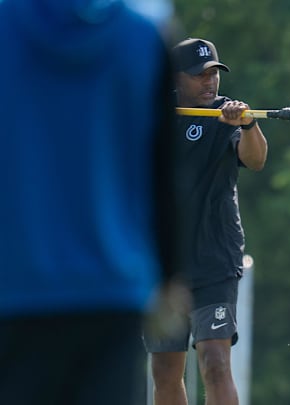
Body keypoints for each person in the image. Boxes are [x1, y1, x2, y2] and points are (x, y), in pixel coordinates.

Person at [0, 0, 184, 404]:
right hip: (113, 291)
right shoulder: (146, 31)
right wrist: (169, 274)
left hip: (14, 288)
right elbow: (162, 169)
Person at [143, 37, 268, 405]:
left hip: (215, 261)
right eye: (199, 75)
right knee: (165, 370)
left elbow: (256, 159)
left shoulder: (224, 115)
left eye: (214, 73)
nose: (210, 82)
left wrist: (247, 125)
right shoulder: (153, 116)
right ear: (176, 78)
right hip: (165, 265)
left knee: (214, 363)